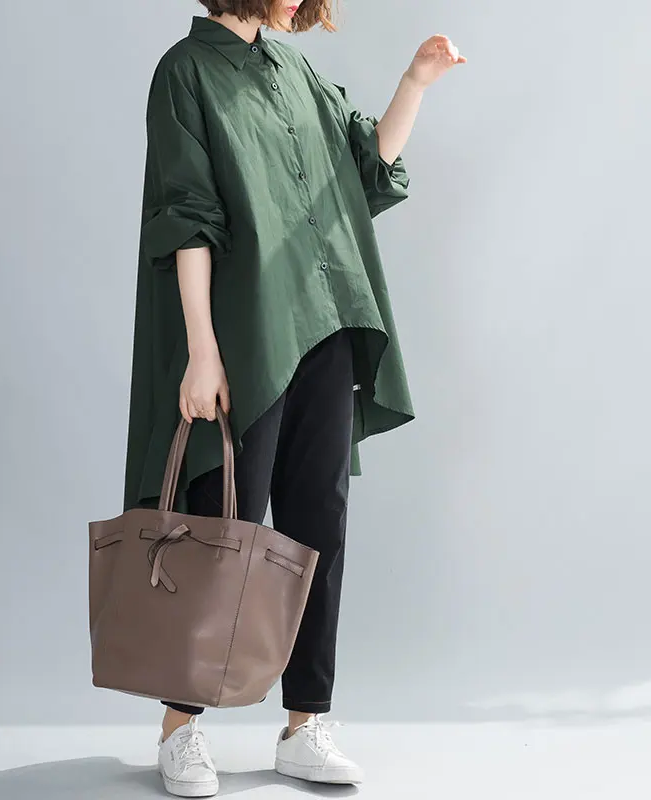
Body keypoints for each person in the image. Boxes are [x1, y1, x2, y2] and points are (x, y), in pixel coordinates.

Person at [122, 1, 465, 796]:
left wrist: (415, 82)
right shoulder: (185, 73)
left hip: (324, 322)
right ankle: (180, 727)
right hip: (245, 336)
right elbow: (186, 218)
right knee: (221, 526)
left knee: (319, 526)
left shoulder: (296, 69)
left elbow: (364, 165)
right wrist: (202, 350)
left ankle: (305, 723)